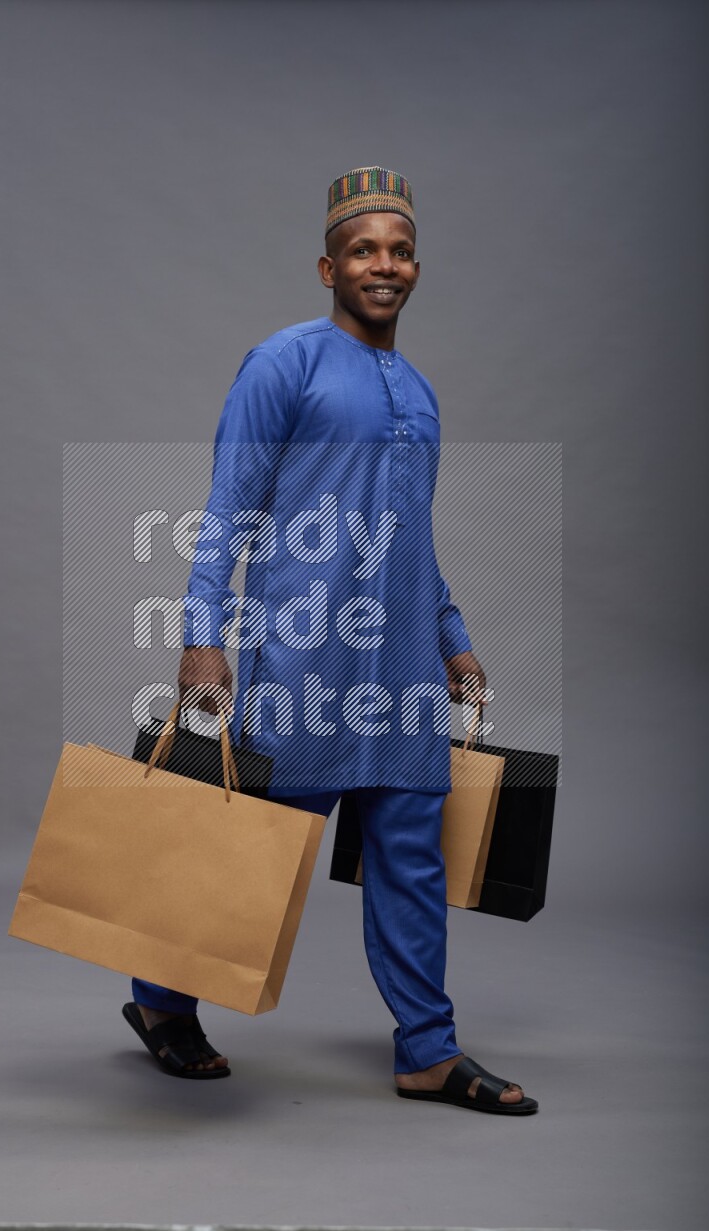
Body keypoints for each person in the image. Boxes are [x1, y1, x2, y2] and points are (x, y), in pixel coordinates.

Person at [121, 167, 538, 1115]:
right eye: (363, 249)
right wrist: (201, 636)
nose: (381, 264)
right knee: (249, 849)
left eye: (397, 250)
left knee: (412, 855)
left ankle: (428, 1050)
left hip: (397, 672)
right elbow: (226, 508)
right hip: (305, 656)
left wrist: (452, 636)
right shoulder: (285, 363)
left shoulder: (420, 393)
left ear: (417, 269)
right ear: (328, 265)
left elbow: (410, 533)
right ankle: (159, 1001)